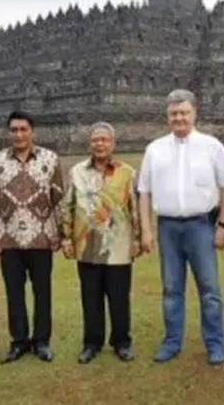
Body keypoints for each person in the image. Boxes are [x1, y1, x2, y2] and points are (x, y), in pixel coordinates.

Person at [137, 88, 224, 365]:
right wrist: (146, 229)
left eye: (184, 112)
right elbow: (144, 192)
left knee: (210, 290)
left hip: (201, 225)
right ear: (167, 117)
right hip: (167, 226)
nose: (178, 117)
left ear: (194, 114)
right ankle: (171, 341)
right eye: (173, 113)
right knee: (171, 288)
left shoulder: (212, 146)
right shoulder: (155, 149)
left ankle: (215, 344)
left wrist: (223, 225)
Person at [0, 111, 65, 364]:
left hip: (41, 237)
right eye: (14, 130)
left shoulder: (50, 159)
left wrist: (61, 233)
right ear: (9, 132)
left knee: (43, 292)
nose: (18, 134)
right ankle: (19, 341)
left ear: (32, 131)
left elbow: (58, 199)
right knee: (14, 293)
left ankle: (41, 341)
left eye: (23, 129)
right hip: (9, 239)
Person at [62, 122, 140, 364]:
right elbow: (69, 206)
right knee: (90, 297)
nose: (100, 144)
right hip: (87, 245)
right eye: (96, 140)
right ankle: (92, 343)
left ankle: (121, 342)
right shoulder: (77, 172)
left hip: (118, 245)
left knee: (119, 297)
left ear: (113, 144)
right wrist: (66, 237)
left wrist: (137, 239)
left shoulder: (127, 172)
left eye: (104, 140)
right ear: (90, 144)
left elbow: (134, 208)